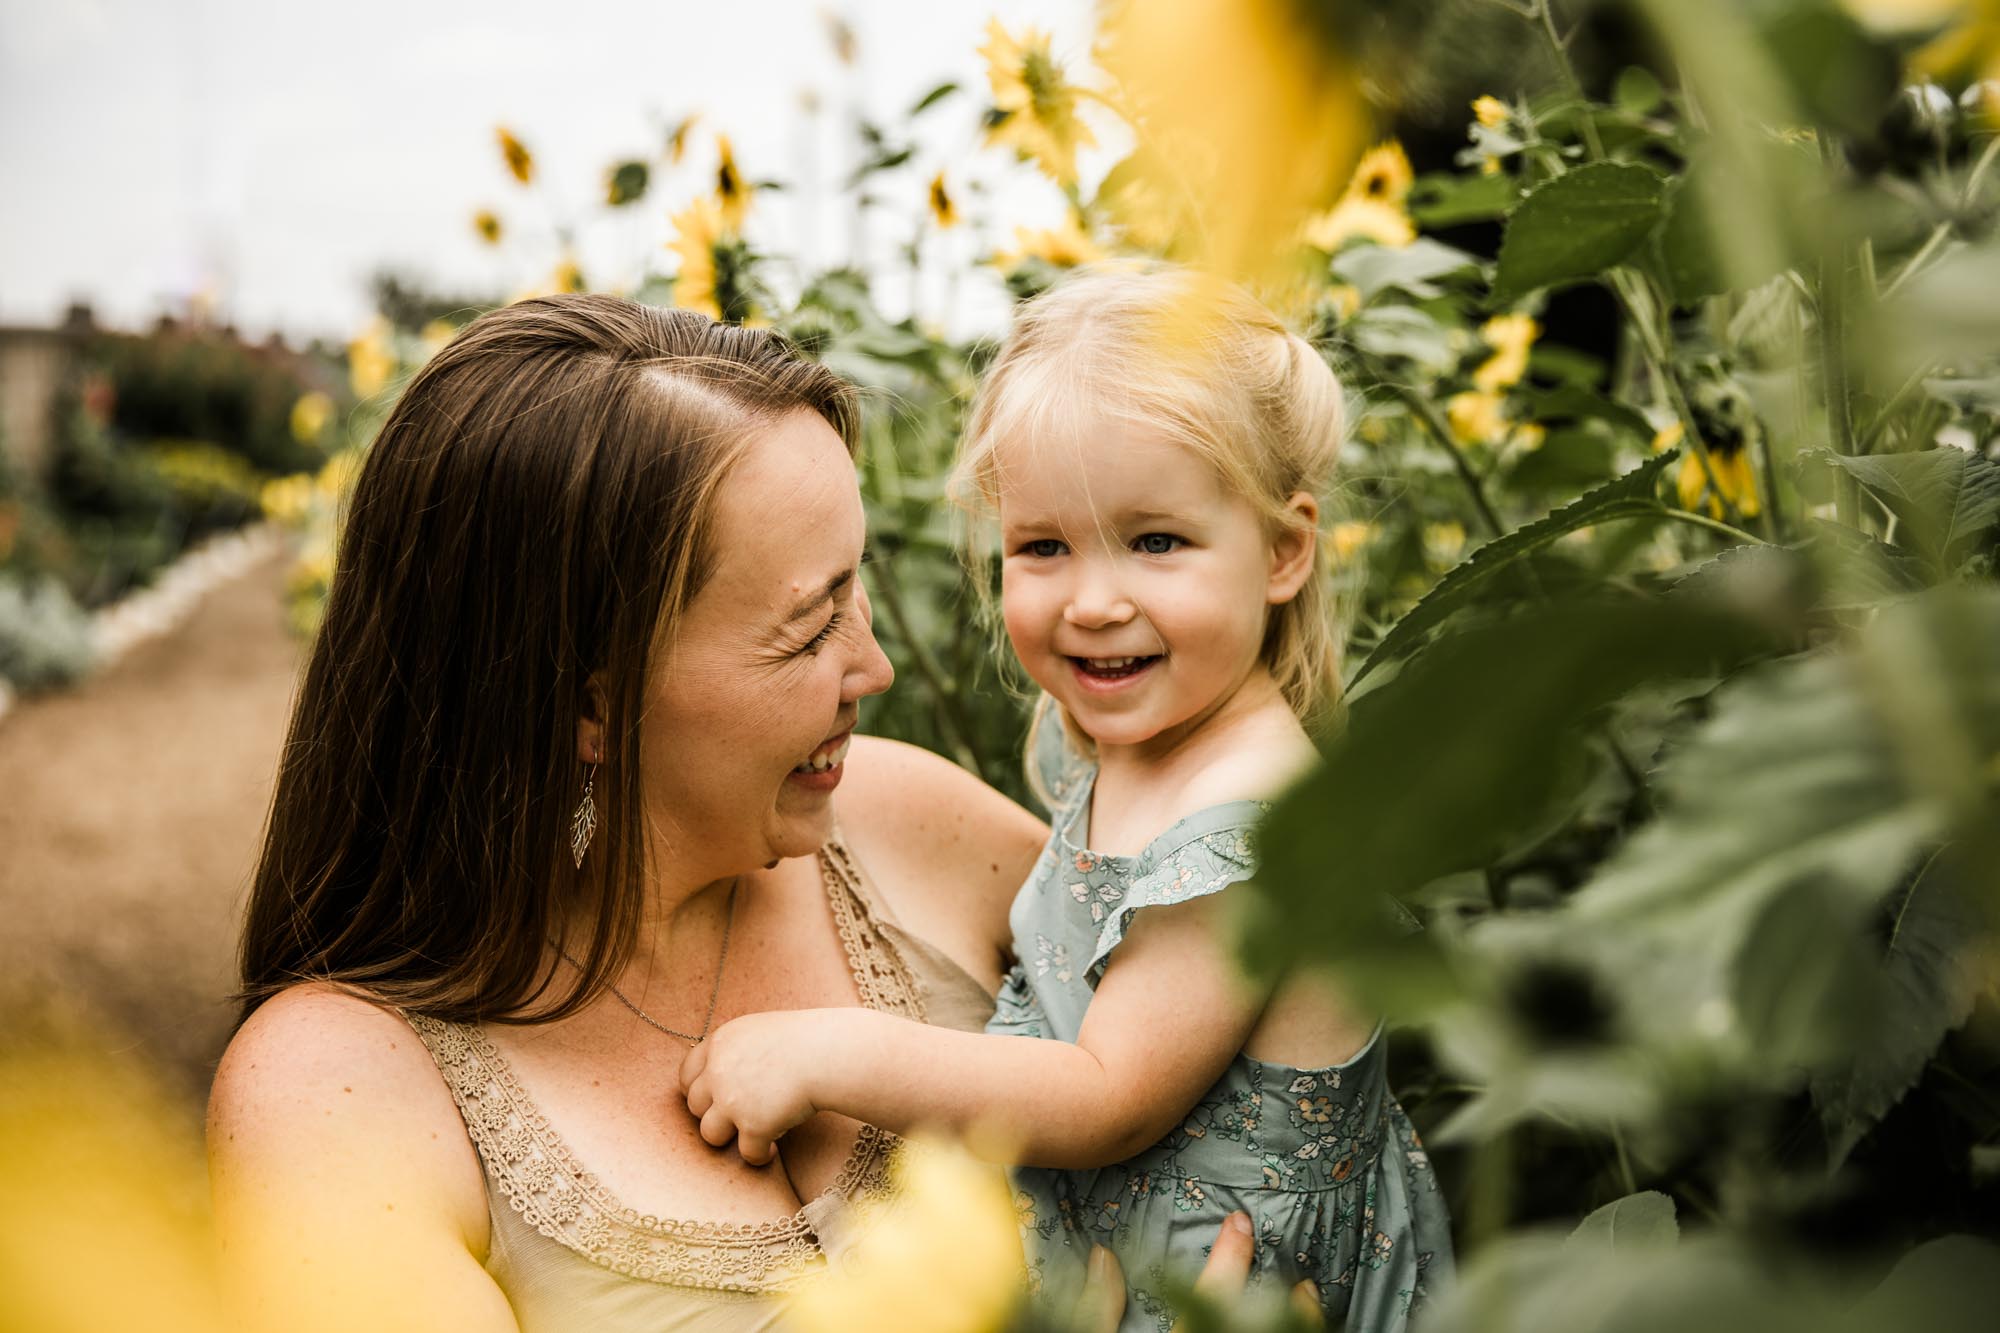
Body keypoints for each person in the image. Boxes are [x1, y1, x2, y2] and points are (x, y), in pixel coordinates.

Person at [206, 293, 1269, 1333]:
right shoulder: (333, 1097)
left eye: (856, 589)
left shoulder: (905, 822)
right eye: (809, 629)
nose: (877, 667)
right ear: (590, 705)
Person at [679, 267, 1454, 1331]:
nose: (1091, 602)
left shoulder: (1254, 818)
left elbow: (1106, 1092)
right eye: (1043, 546)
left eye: (1155, 541)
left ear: (1283, 550)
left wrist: (828, 1052)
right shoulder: (1131, 735)